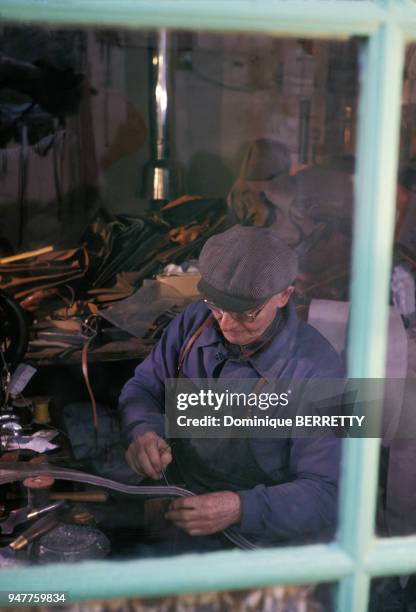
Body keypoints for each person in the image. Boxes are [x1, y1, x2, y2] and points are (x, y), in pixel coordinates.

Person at [118, 224, 343, 548]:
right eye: (216, 307)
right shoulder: (195, 322)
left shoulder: (322, 370)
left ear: (283, 295)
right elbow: (143, 388)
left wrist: (240, 508)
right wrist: (142, 431)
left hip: (267, 540)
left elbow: (329, 493)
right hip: (186, 505)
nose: (225, 325)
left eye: (247, 314)